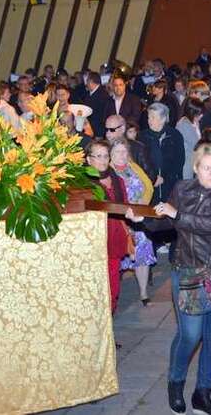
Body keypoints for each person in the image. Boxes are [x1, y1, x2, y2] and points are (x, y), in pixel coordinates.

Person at [126, 144, 211, 415]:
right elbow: (167, 222)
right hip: (190, 271)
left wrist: (177, 214)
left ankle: (203, 393)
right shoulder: (183, 189)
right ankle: (175, 383)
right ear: (196, 168)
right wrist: (145, 219)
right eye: (206, 167)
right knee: (190, 335)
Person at [110, 138, 156, 306]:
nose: (122, 155)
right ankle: (113, 295)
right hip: (120, 221)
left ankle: (144, 293)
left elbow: (148, 186)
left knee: (142, 256)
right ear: (111, 154)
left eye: (124, 151)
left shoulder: (133, 166)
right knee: (118, 258)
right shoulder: (108, 171)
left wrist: (143, 204)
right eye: (117, 152)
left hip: (139, 219)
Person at [85, 140, 130, 313]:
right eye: (98, 156)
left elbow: (125, 206)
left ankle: (109, 332)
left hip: (115, 236)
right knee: (97, 288)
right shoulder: (84, 184)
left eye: (106, 156)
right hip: (95, 241)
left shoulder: (118, 181)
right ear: (89, 160)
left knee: (113, 286)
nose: (103, 160)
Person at [140, 103, 185, 204]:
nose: (149, 120)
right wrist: (153, 178)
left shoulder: (174, 136)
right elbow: (140, 162)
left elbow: (179, 161)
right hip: (149, 184)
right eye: (148, 117)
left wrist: (165, 178)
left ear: (163, 119)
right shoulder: (142, 136)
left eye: (153, 117)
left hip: (170, 185)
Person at [105, 114, 156, 183]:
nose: (107, 133)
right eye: (106, 129)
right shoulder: (104, 147)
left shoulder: (138, 148)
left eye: (112, 130)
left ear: (123, 129)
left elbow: (150, 176)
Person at [176, 99, 204, 180]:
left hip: (194, 160)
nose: (201, 116)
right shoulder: (184, 124)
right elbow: (196, 144)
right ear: (192, 112)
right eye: (199, 113)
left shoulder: (194, 122)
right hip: (187, 163)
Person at [84, 72, 111, 138]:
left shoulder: (103, 95)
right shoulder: (90, 93)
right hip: (90, 128)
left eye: (87, 81)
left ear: (91, 81)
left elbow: (101, 115)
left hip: (97, 130)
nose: (86, 83)